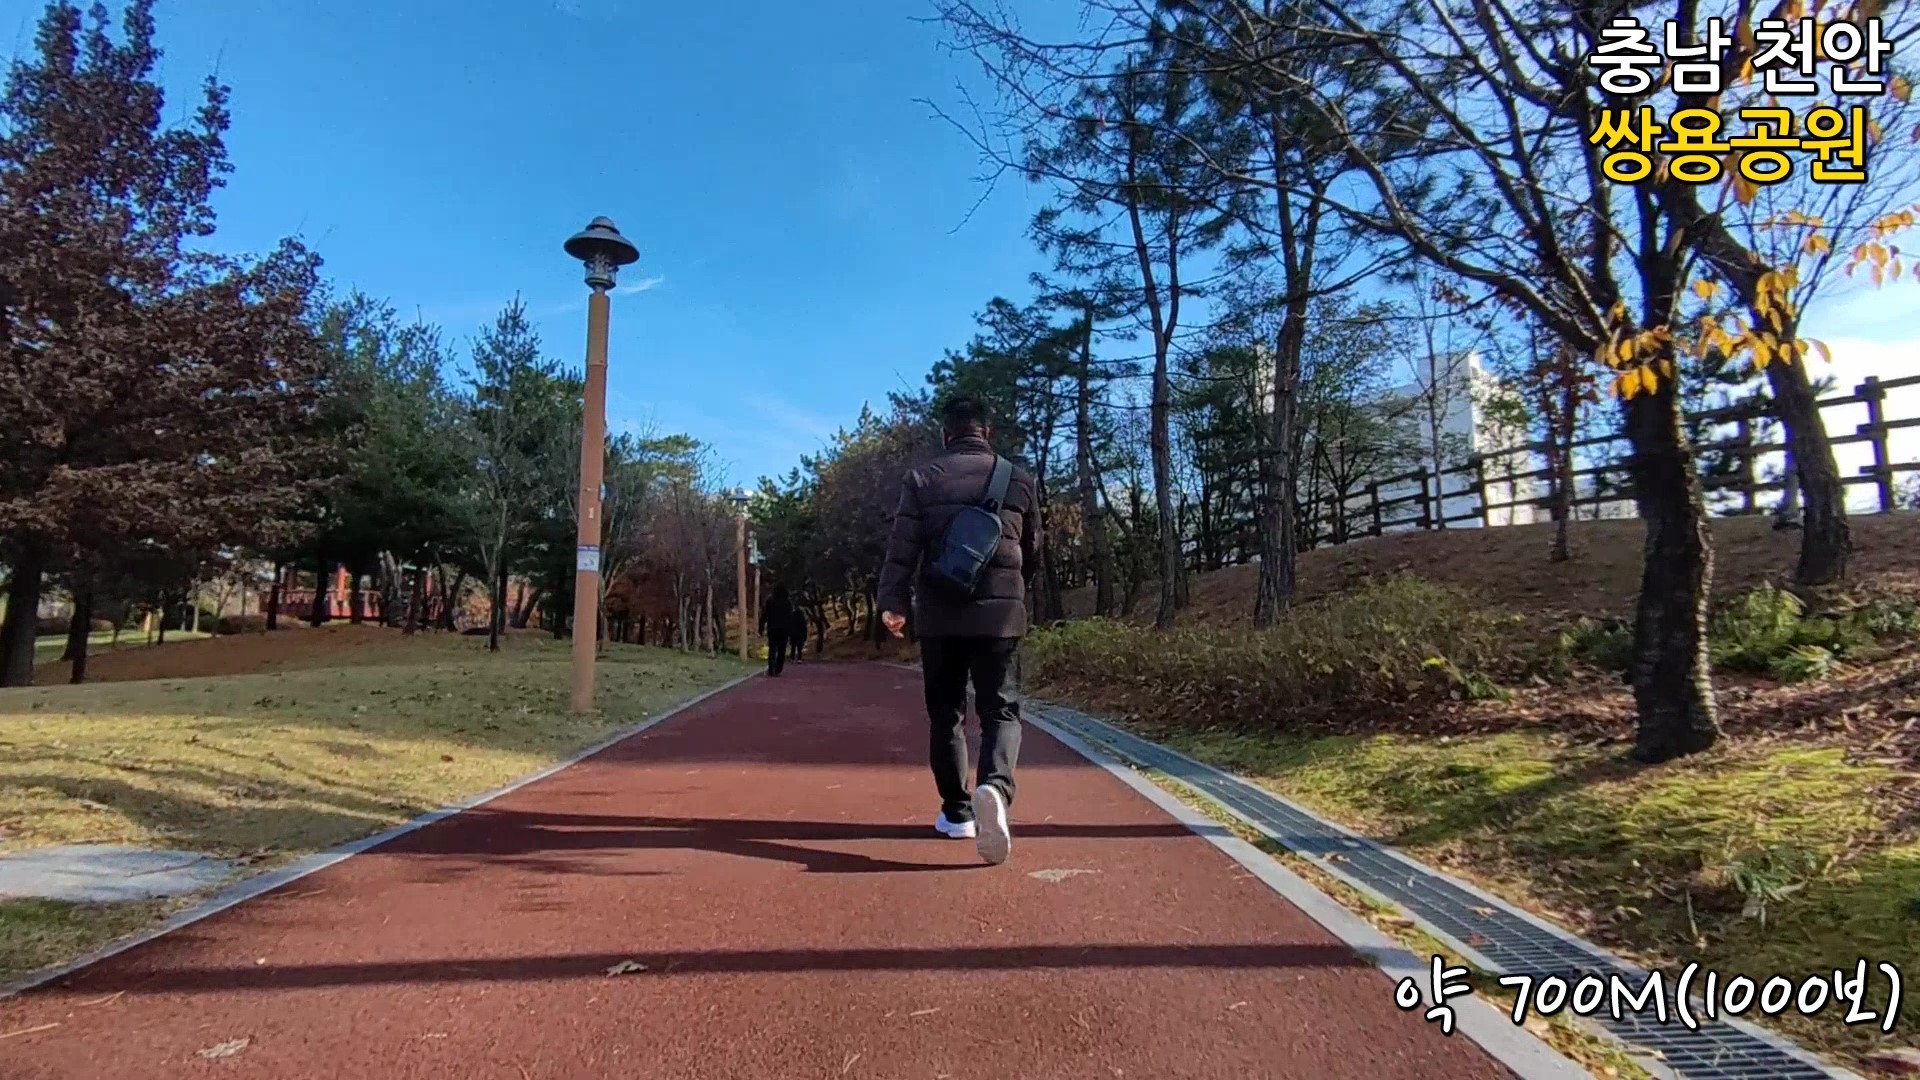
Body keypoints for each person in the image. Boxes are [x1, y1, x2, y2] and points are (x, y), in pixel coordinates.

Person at [877, 396, 1040, 866]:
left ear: (945, 434)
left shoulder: (922, 479)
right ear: (987, 432)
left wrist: (892, 603)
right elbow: (1033, 551)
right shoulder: (1019, 479)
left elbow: (902, 547)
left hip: (941, 615)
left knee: (946, 713)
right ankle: (996, 788)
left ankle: (957, 812)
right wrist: (1014, 593)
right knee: (1001, 710)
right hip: (1001, 617)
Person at [759, 584, 794, 677]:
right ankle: (778, 668)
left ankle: (771, 668)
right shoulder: (787, 602)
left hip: (772, 628)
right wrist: (791, 630)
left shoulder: (770, 601)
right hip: (784, 629)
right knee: (782, 649)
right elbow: (791, 617)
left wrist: (761, 627)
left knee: (772, 648)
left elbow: (764, 615)